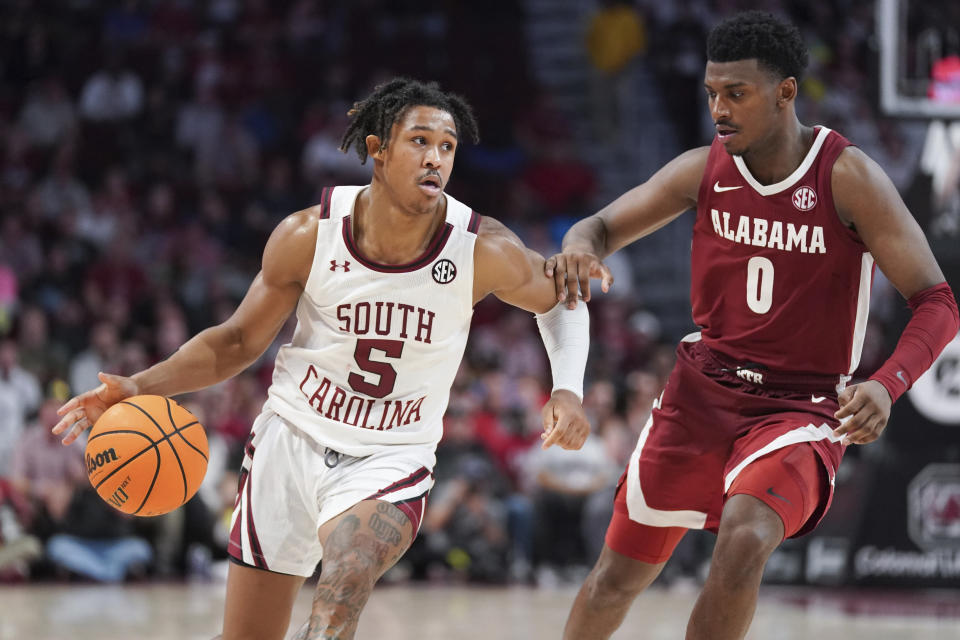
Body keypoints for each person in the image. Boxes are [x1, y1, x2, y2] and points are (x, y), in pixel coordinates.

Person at [51, 77, 590, 640]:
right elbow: (235, 342)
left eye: (447, 147)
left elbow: (561, 300)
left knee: (338, 602)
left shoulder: (480, 247)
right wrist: (139, 386)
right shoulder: (308, 234)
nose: (436, 158)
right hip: (292, 437)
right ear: (377, 149)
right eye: (420, 141)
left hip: (389, 455)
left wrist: (568, 388)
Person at [545, 12, 960, 640]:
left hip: (801, 404)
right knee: (616, 577)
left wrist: (886, 383)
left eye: (735, 93)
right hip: (701, 392)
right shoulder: (701, 168)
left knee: (745, 537)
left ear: (785, 92)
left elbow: (938, 301)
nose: (718, 108)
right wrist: (579, 247)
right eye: (712, 93)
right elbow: (596, 228)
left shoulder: (847, 176)